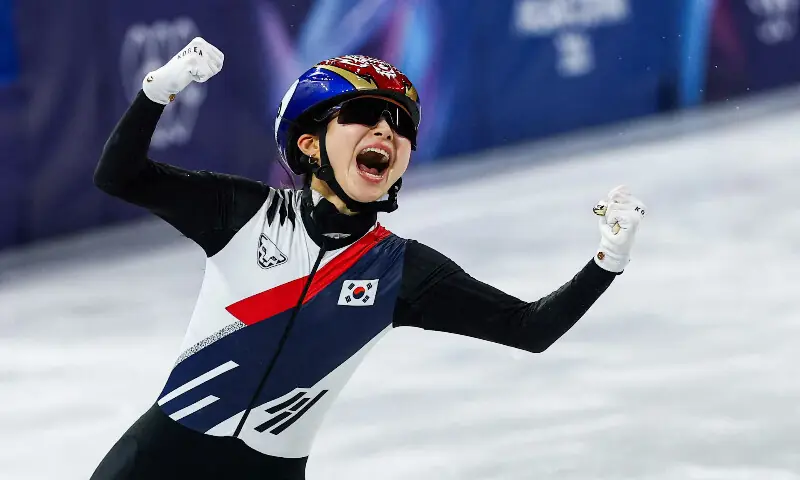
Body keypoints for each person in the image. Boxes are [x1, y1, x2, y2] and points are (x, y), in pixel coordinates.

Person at [90, 37, 647, 480]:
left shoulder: (402, 271)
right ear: (309, 144)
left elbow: (529, 328)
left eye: (400, 124)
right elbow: (119, 176)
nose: (386, 129)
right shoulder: (243, 213)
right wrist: (158, 92)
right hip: (160, 457)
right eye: (363, 114)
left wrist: (607, 261)